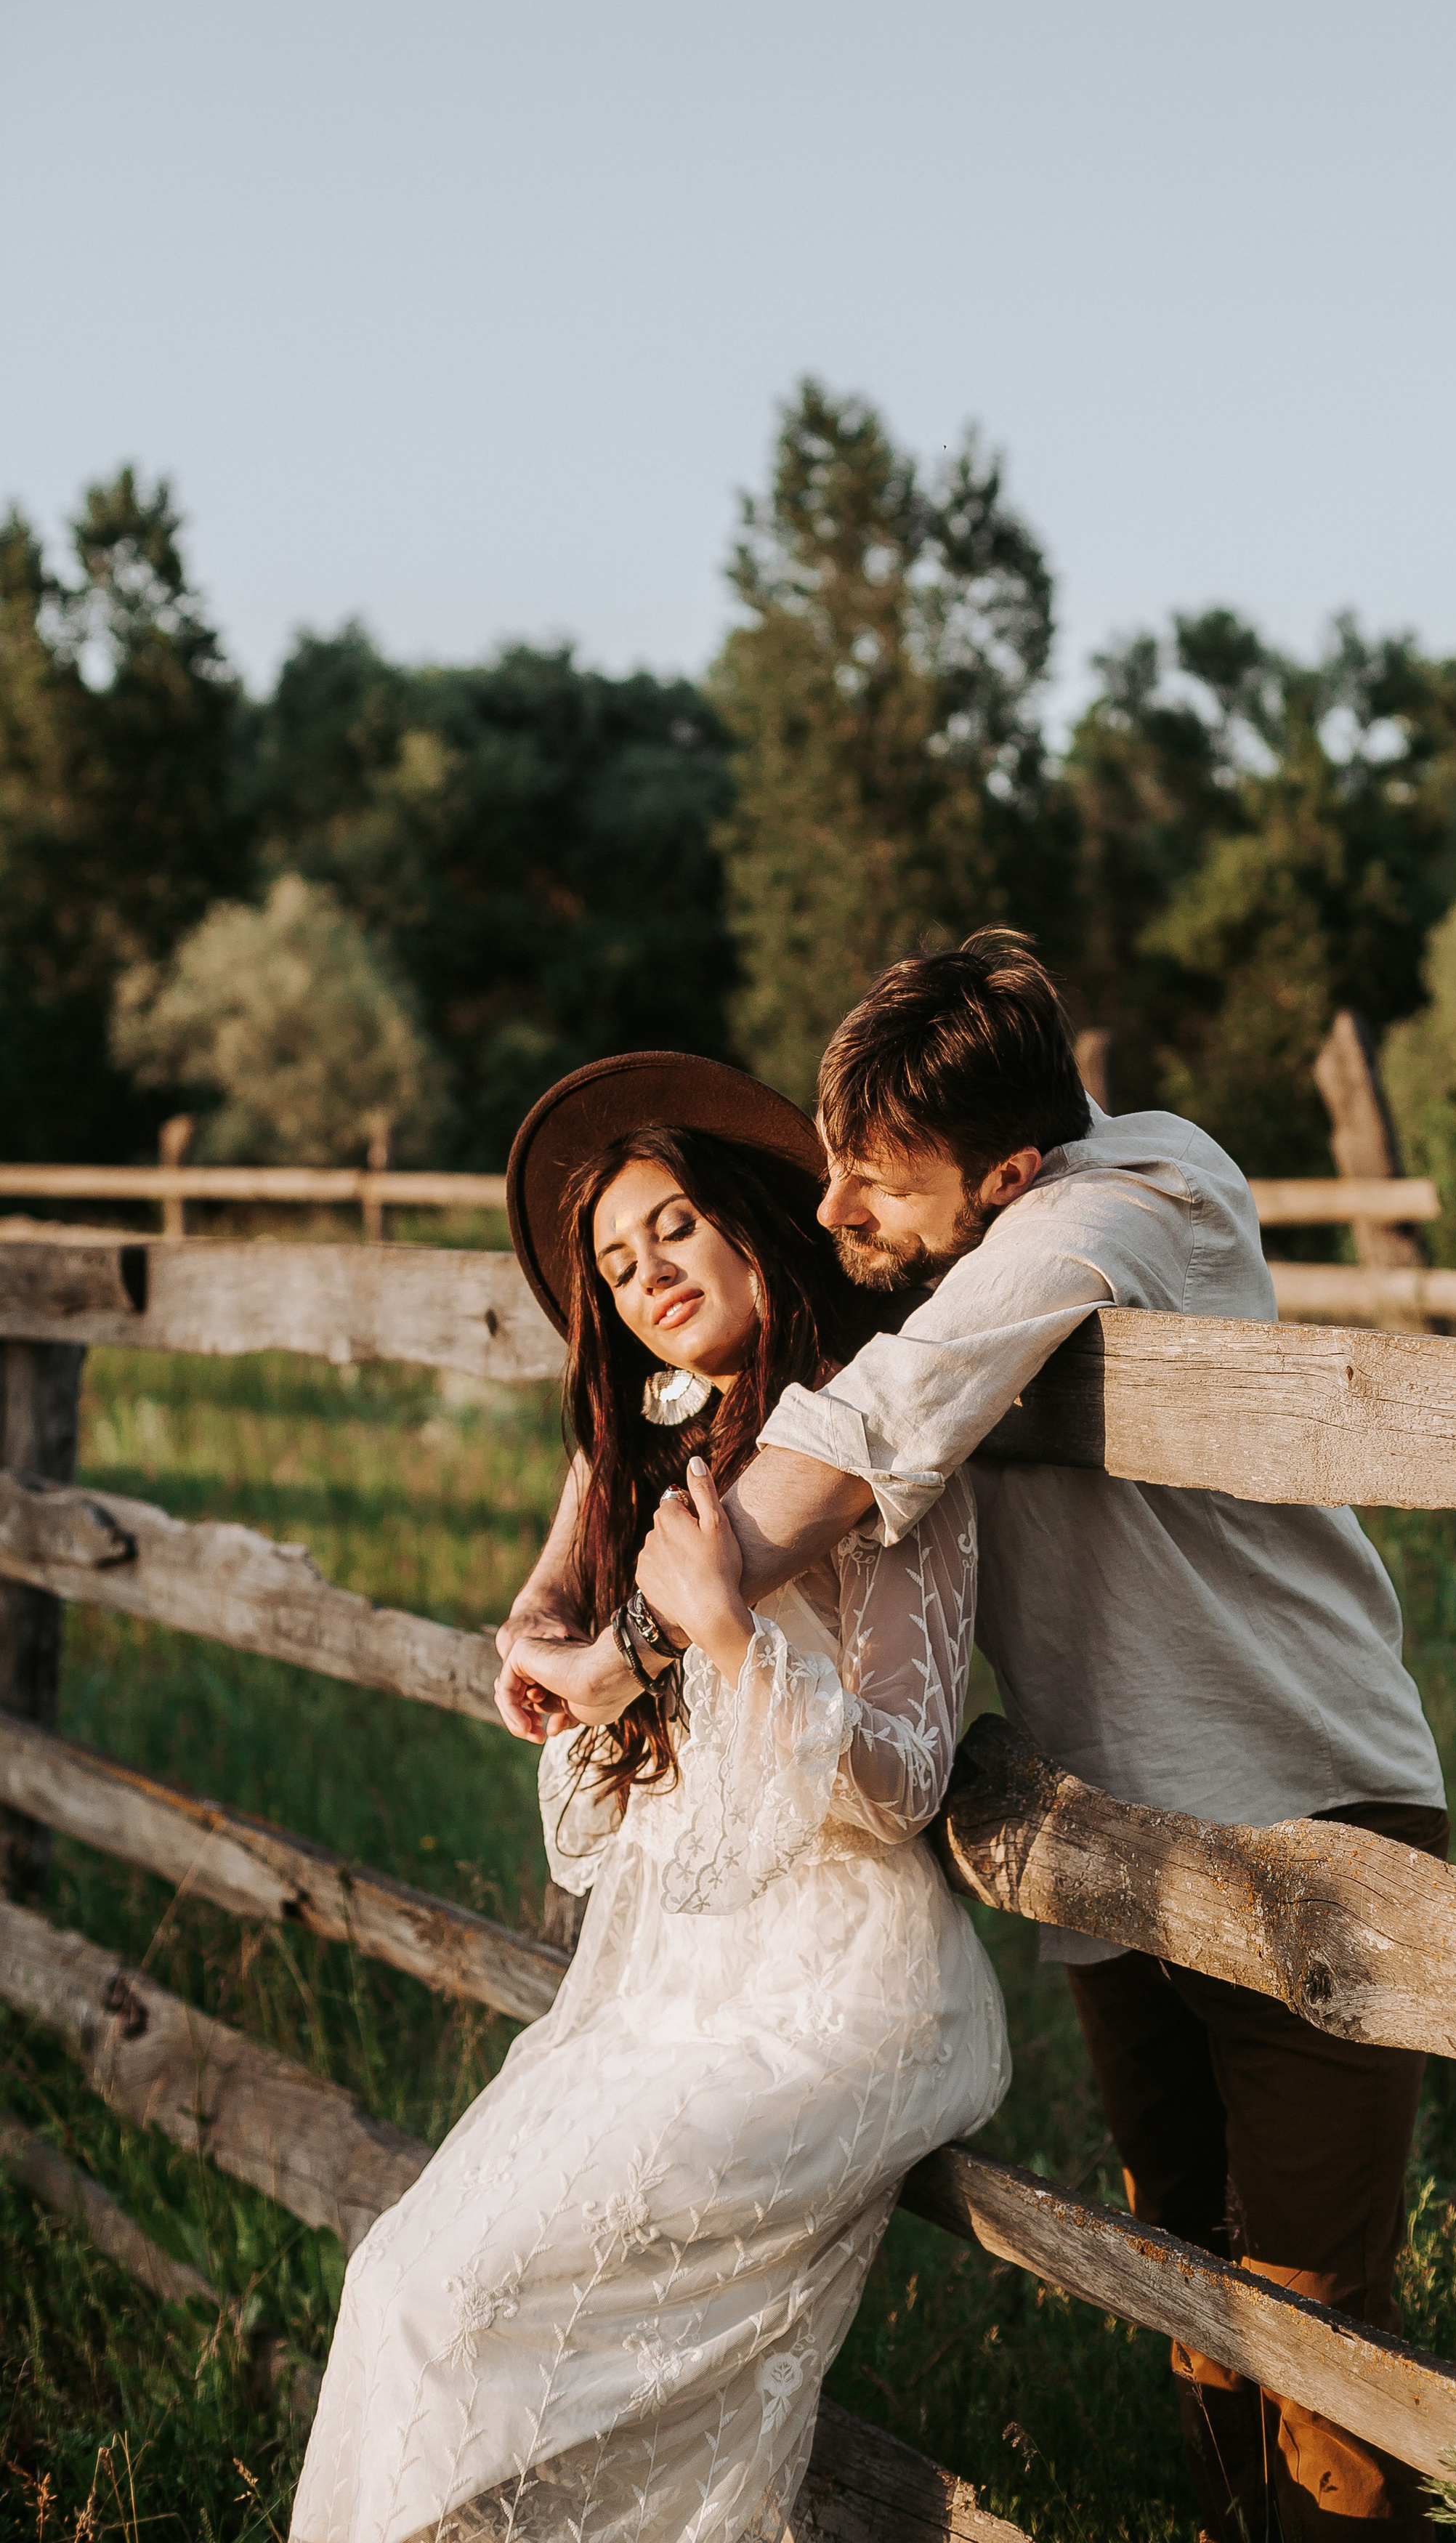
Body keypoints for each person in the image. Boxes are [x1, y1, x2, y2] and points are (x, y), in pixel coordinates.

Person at [508, 934, 1448, 2542]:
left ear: (1008, 1169)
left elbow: (870, 1421)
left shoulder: (1123, 1204)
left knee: (1318, 2334)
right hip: (1120, 1845)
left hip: (1304, 1807)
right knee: (1196, 2308)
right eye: (832, 1169)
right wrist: (550, 1599)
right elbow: (687, 1404)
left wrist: (649, 1638)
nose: (832, 1216)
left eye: (873, 1186)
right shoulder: (957, 1239)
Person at [291, 1055, 1008, 2543]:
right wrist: (570, 1595)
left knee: (453, 2306)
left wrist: (736, 1642)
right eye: (615, 1266)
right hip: (664, 1988)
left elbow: (900, 1787)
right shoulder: (666, 1459)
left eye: (672, 1227)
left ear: (753, 1214)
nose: (647, 1274)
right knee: (401, 2285)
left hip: (839, 1989)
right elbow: (589, 1705)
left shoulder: (869, 1444)